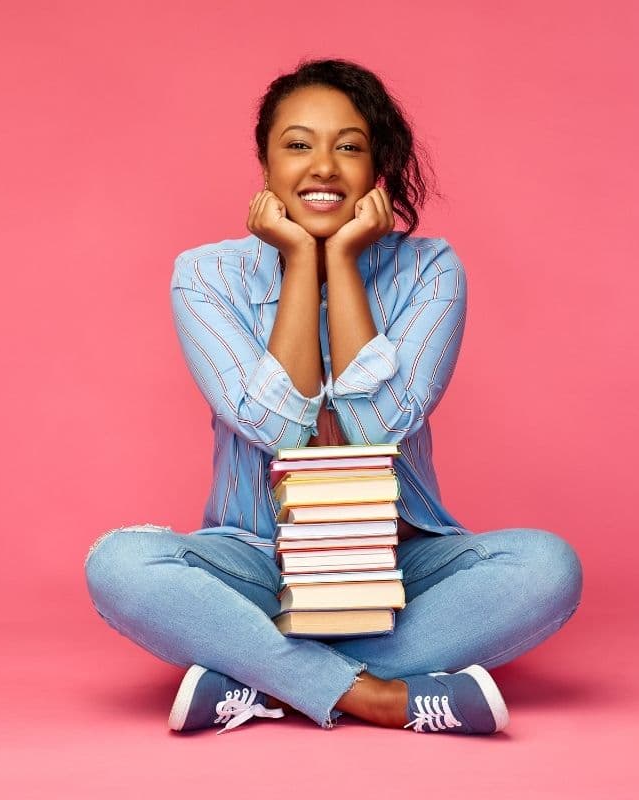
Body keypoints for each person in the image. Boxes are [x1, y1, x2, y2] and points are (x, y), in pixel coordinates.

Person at [84, 58, 583, 736]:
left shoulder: (431, 269)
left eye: (348, 146)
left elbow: (379, 424)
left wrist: (342, 262)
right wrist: (298, 259)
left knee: (546, 569)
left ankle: (261, 678)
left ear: (376, 168)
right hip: (258, 560)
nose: (323, 166)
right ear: (264, 165)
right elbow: (281, 431)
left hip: (396, 559)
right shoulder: (204, 276)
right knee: (119, 564)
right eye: (298, 144)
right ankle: (379, 697)